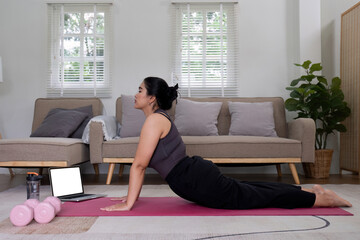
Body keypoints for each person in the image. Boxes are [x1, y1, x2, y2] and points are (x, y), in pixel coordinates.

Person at [101, 77, 352, 211]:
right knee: (247, 189)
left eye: (140, 90)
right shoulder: (158, 119)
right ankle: (309, 191)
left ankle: (321, 200)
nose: (135, 94)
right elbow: (142, 166)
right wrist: (130, 196)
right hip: (194, 176)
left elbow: (139, 166)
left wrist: (128, 204)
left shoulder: (154, 121)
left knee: (249, 197)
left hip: (194, 179)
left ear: (151, 98)